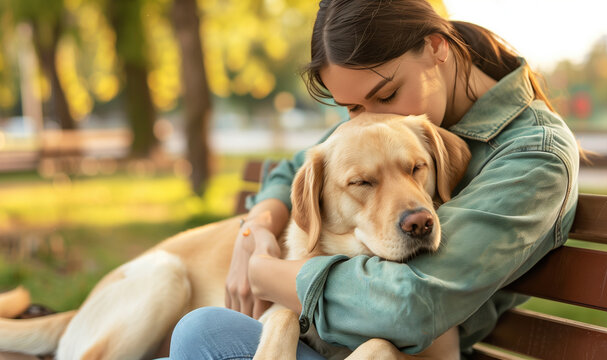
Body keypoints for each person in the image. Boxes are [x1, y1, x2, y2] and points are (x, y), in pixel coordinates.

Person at [168, 0, 581, 358]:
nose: (374, 118)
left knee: (203, 333)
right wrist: (257, 227)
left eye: (386, 96)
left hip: (409, 347)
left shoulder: (533, 155)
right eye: (352, 108)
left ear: (436, 46)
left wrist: (267, 275)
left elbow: (413, 304)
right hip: (341, 338)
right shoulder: (392, 125)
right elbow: (299, 166)